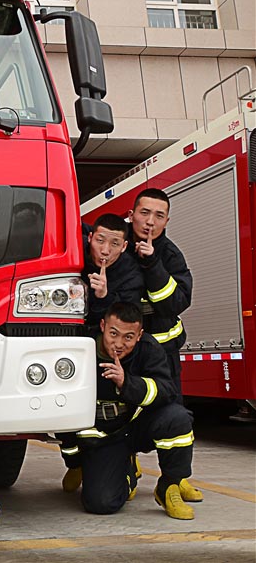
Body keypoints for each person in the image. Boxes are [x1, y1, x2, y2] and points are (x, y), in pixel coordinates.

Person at [66, 302, 196, 520]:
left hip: (136, 426)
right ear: (102, 326)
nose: (118, 344)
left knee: (178, 418)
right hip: (104, 436)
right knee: (100, 503)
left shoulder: (149, 348)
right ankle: (126, 472)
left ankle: (168, 487)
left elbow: (166, 390)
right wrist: (75, 462)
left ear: (139, 335)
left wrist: (127, 383)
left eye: (128, 337)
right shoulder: (81, 349)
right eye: (113, 334)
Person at [128, 188, 202, 504]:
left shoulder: (170, 255)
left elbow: (175, 303)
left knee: (176, 416)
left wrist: (153, 263)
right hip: (125, 355)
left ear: (167, 220)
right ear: (131, 214)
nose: (150, 221)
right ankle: (125, 468)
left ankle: (176, 478)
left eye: (159, 215)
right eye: (145, 212)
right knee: (123, 412)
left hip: (164, 356)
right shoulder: (116, 245)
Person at [60, 213, 144, 493]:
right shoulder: (74, 257)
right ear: (89, 238)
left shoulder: (131, 274)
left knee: (100, 414)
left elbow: (125, 323)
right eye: (99, 241)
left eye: (114, 243)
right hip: (69, 348)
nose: (105, 250)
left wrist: (105, 298)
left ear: (124, 246)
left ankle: (124, 460)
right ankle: (75, 464)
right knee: (63, 408)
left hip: (106, 354)